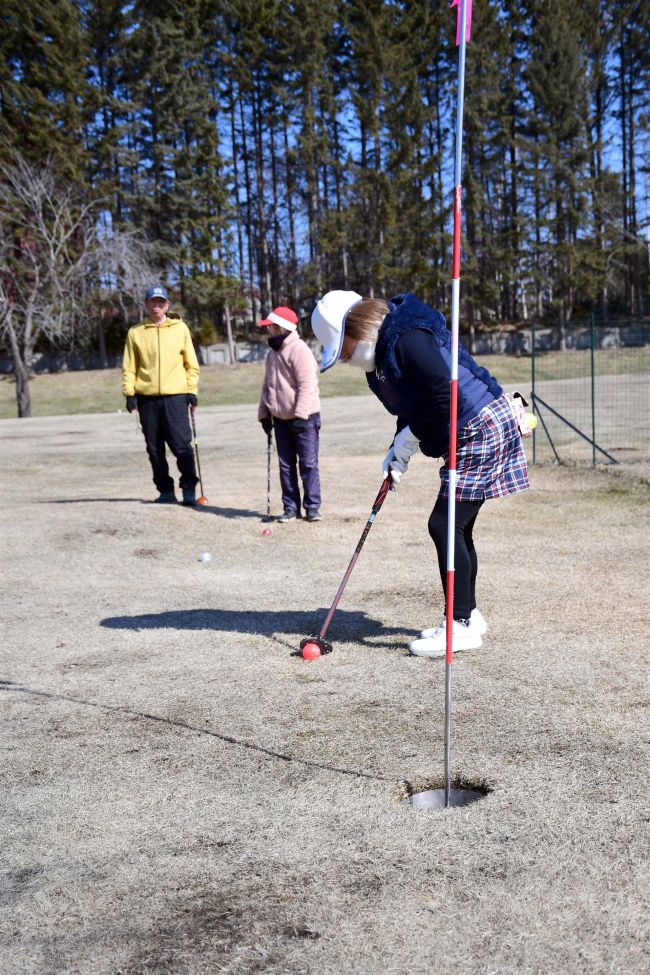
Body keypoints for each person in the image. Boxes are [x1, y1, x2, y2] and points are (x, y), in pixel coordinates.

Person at [311, 290, 529, 657]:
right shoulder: (384, 354)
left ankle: (460, 624)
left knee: (444, 525)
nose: (346, 359)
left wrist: (411, 435)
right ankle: (468, 615)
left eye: (344, 350)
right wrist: (398, 450)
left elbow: (446, 396)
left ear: (356, 327)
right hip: (469, 427)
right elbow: (413, 407)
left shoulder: (407, 338)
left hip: (479, 424)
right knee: (455, 526)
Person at [122, 285, 200, 506]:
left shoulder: (180, 328)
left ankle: (188, 489)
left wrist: (191, 391)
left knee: (182, 445)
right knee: (154, 448)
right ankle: (165, 490)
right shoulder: (135, 332)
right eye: (153, 302)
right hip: (147, 398)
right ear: (146, 304)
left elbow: (191, 365)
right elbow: (129, 367)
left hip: (175, 396)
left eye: (161, 302)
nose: (157, 306)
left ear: (167, 305)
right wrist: (130, 394)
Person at [257, 305, 323, 523]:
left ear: (281, 328)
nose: (268, 331)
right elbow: (268, 386)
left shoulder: (300, 350)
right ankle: (290, 508)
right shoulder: (271, 354)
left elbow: (308, 385)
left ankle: (312, 507)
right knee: (285, 465)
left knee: (308, 463)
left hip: (304, 418)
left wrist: (300, 415)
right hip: (281, 419)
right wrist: (264, 414)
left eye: (271, 327)